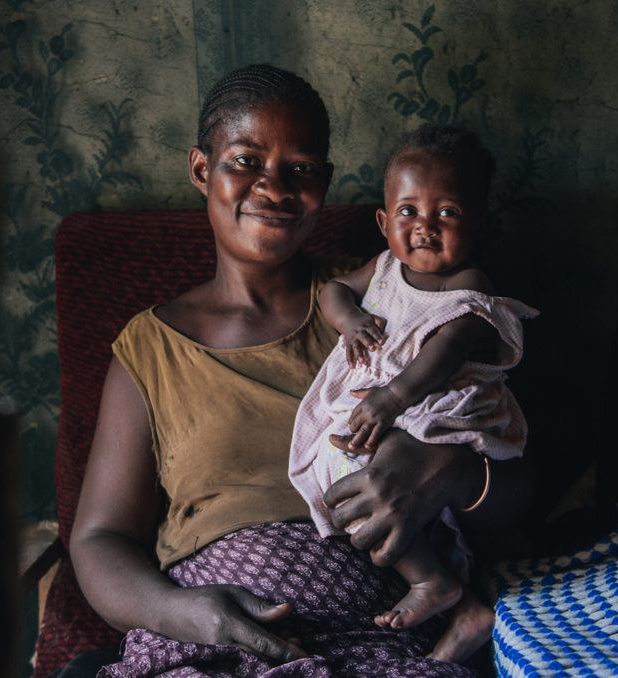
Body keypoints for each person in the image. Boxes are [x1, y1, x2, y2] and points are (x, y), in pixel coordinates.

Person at [69, 65, 532, 677]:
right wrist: (182, 613)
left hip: (384, 641)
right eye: (245, 161)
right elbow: (98, 540)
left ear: (325, 184)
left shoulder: (396, 300)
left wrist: (447, 471)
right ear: (202, 170)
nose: (274, 188)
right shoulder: (151, 349)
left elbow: (522, 496)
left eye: (301, 169)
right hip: (209, 642)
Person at [289, 125, 537, 640]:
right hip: (386, 408)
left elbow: (444, 354)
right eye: (408, 212)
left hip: (436, 407)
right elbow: (333, 290)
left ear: (478, 225)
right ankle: (449, 594)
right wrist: (350, 321)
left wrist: (392, 397)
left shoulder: (469, 287)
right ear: (383, 222)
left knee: (378, 468)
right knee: (340, 470)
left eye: (446, 212)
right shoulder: (381, 269)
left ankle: (435, 583)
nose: (425, 226)